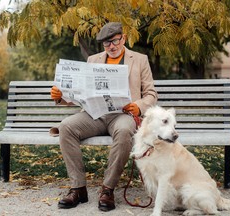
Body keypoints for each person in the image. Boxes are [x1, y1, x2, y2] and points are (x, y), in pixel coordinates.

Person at [50, 22, 157, 212]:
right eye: (107, 44)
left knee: (124, 131)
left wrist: (138, 106)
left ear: (123, 38)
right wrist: (62, 97)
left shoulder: (139, 59)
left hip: (123, 115)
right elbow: (81, 94)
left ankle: (107, 189)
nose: (112, 47)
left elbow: (151, 94)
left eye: (115, 41)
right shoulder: (93, 60)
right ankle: (78, 189)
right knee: (66, 126)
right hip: (95, 113)